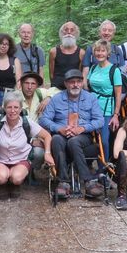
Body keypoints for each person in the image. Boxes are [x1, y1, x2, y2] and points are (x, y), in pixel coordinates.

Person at [39, 69, 104, 199]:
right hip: (62, 136)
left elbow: (100, 120)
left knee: (74, 141)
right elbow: (44, 119)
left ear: (82, 83)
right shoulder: (57, 99)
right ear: (66, 83)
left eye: (79, 82)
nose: (75, 85)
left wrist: (83, 128)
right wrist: (59, 128)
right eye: (72, 82)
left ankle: (88, 182)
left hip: (83, 137)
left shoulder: (91, 98)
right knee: (56, 139)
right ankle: (63, 182)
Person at [0, 91, 54, 199]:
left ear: (21, 108)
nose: (12, 111)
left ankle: (14, 183)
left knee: (16, 177)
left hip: (21, 159)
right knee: (1, 177)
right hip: (1, 159)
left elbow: (47, 136)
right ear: (4, 108)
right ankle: (0, 184)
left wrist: (47, 153)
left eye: (16, 107)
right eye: (9, 107)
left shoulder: (26, 122)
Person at [86, 40, 122, 157]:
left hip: (106, 109)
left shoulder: (114, 70)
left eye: (103, 50)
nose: (99, 53)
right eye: (97, 50)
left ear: (108, 53)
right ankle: (89, 163)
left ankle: (104, 168)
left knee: (104, 140)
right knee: (90, 138)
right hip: (91, 107)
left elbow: (118, 94)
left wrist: (116, 115)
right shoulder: (93, 68)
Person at [82, 20, 125, 85]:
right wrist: (85, 87)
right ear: (99, 32)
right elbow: (85, 70)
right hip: (94, 87)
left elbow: (122, 71)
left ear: (113, 34)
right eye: (104, 30)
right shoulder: (91, 49)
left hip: (113, 88)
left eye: (110, 31)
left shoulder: (117, 50)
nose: (106, 33)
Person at [48, 22, 85, 90]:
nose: (69, 32)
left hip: (74, 89)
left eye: (72, 30)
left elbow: (80, 73)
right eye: (66, 29)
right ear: (62, 32)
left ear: (76, 33)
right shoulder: (53, 51)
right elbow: (51, 74)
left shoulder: (81, 53)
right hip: (56, 89)